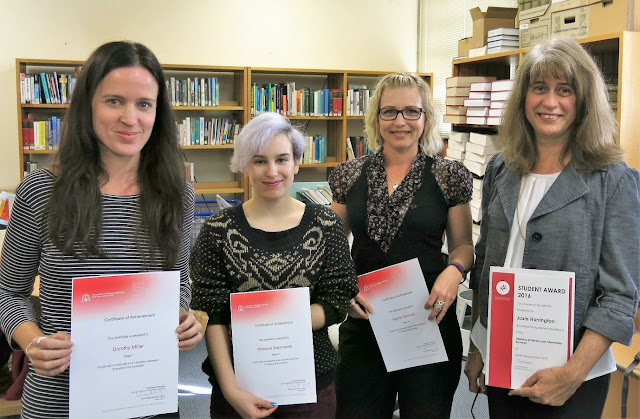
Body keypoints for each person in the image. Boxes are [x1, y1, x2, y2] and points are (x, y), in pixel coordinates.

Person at [0, 41, 202, 418]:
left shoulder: (177, 195)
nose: (130, 118)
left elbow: (178, 283)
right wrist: (33, 341)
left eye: (144, 104)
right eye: (114, 101)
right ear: (88, 105)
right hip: (59, 402)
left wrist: (181, 318)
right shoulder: (41, 191)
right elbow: (9, 292)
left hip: (148, 398)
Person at [464, 37, 640, 418]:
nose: (549, 102)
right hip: (502, 362)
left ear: (584, 99)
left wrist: (572, 375)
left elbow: (620, 296)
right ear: (523, 97)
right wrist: (478, 345)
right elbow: (485, 265)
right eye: (539, 88)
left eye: (565, 90)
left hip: (573, 375)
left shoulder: (613, 180)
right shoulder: (500, 169)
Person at [190, 112, 359, 418]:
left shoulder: (326, 225)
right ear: (244, 165)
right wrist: (231, 390)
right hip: (238, 384)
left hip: (311, 384)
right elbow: (210, 313)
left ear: (296, 162)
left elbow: (337, 299)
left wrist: (270, 324)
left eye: (282, 159)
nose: (272, 171)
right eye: (259, 161)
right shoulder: (218, 230)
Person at [329, 72, 474, 417]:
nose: (400, 121)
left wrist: (454, 272)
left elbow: (464, 246)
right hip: (366, 322)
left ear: (426, 118)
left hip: (428, 321)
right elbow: (331, 249)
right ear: (376, 118)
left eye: (412, 111)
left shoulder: (449, 175)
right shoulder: (349, 175)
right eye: (389, 111)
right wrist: (342, 288)